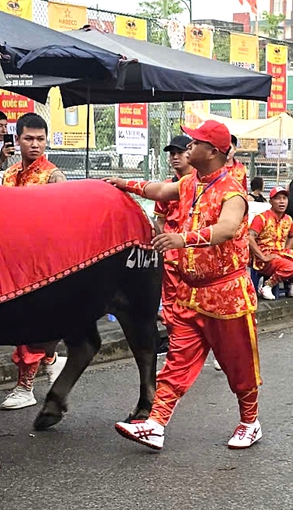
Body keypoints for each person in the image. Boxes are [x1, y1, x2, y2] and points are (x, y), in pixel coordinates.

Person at [112, 120, 262, 452]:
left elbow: (226, 229)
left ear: (213, 151)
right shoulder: (190, 183)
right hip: (190, 293)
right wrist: (122, 184)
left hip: (227, 296)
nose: (188, 147)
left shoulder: (233, 191)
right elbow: (157, 191)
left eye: (195, 143)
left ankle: (250, 422)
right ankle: (155, 424)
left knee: (239, 365)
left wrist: (183, 239)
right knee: (177, 361)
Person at [0, 111, 68, 411]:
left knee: (30, 322)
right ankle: (51, 359)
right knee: (19, 319)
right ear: (18, 139)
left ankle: (25, 386)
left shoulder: (54, 176)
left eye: (40, 139)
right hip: (14, 259)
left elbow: (63, 222)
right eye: (29, 139)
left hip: (43, 262)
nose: (35, 144)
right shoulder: (9, 175)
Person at [248, 186, 293, 300]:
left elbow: (292, 236)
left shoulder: (288, 219)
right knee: (291, 267)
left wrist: (286, 250)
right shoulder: (261, 218)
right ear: (270, 201)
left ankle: (291, 282)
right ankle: (268, 285)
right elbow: (249, 237)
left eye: (284, 198)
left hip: (280, 255)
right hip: (263, 258)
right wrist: (262, 256)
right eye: (277, 198)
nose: (282, 201)